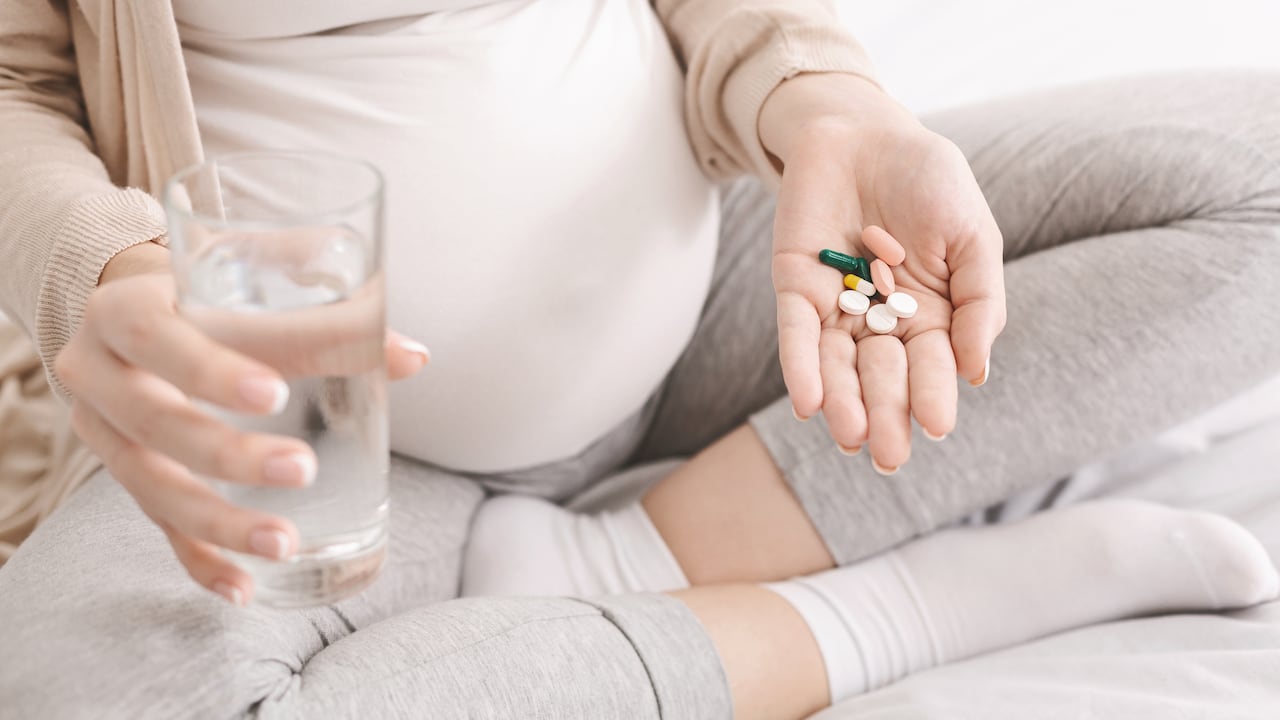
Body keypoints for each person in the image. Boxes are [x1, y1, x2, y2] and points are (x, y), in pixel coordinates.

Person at [1, 0, 1278, 718]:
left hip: (739, 271)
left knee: (1262, 168)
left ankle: (630, 557)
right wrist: (97, 269)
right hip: (312, 418)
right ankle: (889, 610)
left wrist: (828, 107)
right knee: (81, 690)